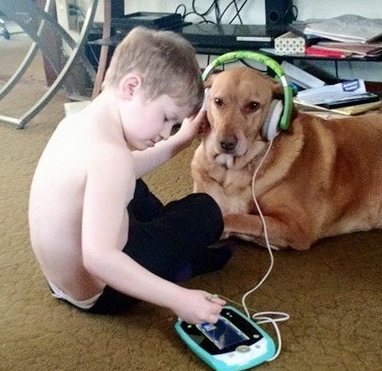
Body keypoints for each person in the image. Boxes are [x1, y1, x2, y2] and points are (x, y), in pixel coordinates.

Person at [28, 27, 232, 325]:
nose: (165, 133)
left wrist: (177, 143)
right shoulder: (111, 157)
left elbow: (124, 172)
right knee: (205, 211)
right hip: (103, 291)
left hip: (60, 282)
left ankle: (168, 246)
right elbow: (98, 258)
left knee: (132, 182)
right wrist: (179, 299)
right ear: (131, 87)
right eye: (166, 118)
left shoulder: (77, 124)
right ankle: (178, 265)